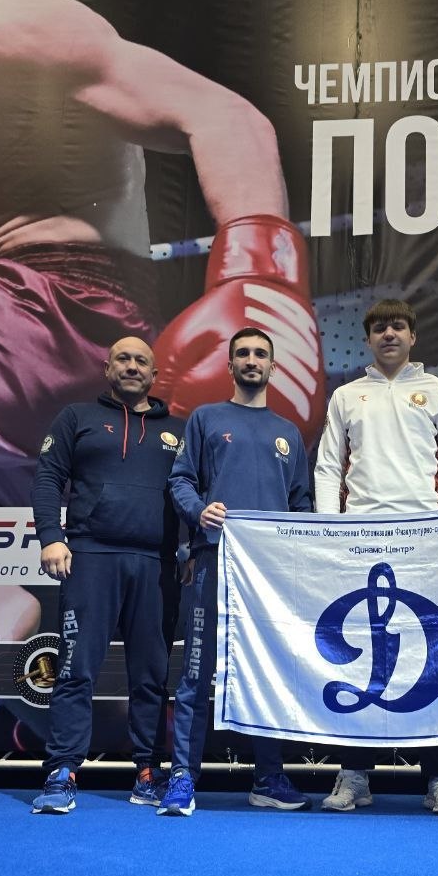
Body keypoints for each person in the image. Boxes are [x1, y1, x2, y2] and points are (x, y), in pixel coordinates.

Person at [0, 0, 325, 744]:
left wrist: (263, 285)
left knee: (133, 591)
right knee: (47, 598)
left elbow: (224, 115)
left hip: (70, 311)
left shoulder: (8, 24)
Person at [313, 298, 438, 814]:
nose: (389, 334)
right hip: (361, 536)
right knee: (364, 654)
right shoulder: (347, 395)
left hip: (425, 536)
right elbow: (327, 466)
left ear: (413, 336)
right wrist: (332, 531)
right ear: (367, 339)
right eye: (380, 328)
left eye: (398, 327)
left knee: (434, 655)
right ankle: (354, 775)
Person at [157, 328, 313, 817]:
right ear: (229, 366)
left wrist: (295, 548)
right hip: (214, 562)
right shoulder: (206, 418)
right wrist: (198, 511)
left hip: (270, 576)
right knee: (196, 672)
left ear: (273, 367)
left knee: (269, 673)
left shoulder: (288, 432)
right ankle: (182, 777)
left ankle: (268, 778)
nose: (251, 360)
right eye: (242, 353)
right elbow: (181, 480)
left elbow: (302, 505)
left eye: (260, 354)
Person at [29, 336, 185, 814]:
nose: (132, 366)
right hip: (91, 557)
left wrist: (194, 549)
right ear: (107, 367)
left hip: (156, 564)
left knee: (151, 676)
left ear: (154, 374)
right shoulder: (76, 418)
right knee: (75, 669)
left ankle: (147, 773)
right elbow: (48, 477)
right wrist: (51, 535)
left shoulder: (178, 431)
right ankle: (62, 772)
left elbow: (195, 492)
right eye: (123, 359)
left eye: (141, 361)